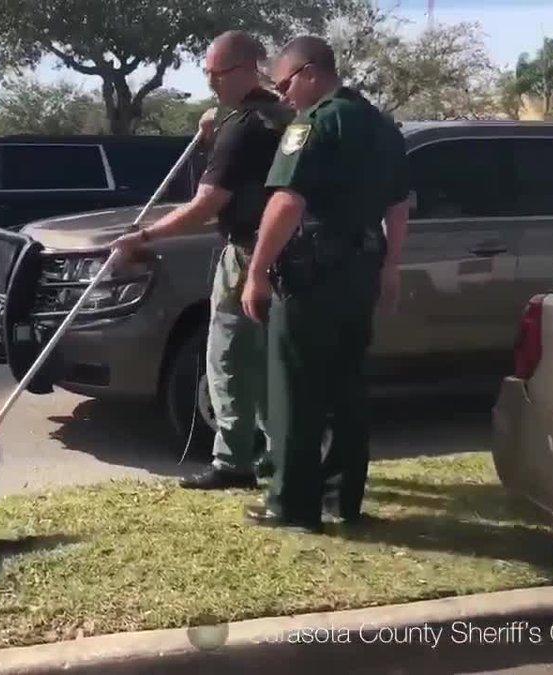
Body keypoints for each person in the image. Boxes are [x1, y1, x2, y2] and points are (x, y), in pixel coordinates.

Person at [240, 36, 410, 533]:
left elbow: (287, 201)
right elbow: (400, 206)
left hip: (312, 275)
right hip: (362, 272)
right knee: (348, 386)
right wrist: (391, 268)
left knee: (295, 389)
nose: (285, 94)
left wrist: (255, 273)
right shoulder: (382, 127)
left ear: (311, 72)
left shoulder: (313, 123)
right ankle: (344, 498)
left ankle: (292, 506)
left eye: (286, 83)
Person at [110, 30, 293, 490]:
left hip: (251, 250)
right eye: (207, 72)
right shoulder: (285, 116)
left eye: (218, 73)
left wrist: (144, 236)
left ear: (250, 68)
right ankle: (280, 461)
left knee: (228, 356)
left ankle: (237, 461)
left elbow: (207, 203)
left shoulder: (245, 127)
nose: (211, 82)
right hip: (288, 252)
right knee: (273, 362)